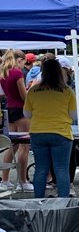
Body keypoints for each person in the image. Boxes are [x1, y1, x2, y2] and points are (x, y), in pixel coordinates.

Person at [23, 57, 76, 198]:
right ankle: (63, 202)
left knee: (41, 169)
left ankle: (38, 200)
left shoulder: (33, 91)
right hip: (61, 133)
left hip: (38, 132)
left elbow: (27, 114)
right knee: (61, 169)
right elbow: (74, 115)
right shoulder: (67, 91)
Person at [0, 49, 30, 191]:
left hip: (9, 108)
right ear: (20, 60)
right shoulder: (17, 73)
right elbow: (24, 96)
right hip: (21, 109)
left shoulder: (3, 73)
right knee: (24, 146)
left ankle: (5, 180)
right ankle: (23, 181)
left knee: (11, 145)